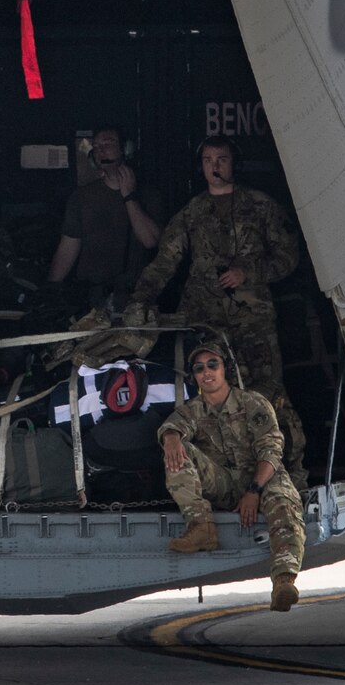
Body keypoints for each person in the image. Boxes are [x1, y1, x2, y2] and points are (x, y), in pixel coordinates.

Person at [129, 134, 308, 491]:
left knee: (267, 394)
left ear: (233, 164)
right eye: (208, 159)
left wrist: (248, 274)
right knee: (205, 398)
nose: (215, 166)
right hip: (204, 323)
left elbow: (289, 257)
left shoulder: (260, 206)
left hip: (251, 320)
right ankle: (214, 481)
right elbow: (165, 261)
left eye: (221, 159)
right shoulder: (192, 212)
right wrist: (140, 300)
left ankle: (288, 475)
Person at [160, 332, 304, 612]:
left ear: (225, 369)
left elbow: (271, 452)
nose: (206, 372)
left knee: (284, 503)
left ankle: (284, 581)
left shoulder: (253, 403)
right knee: (178, 450)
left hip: (263, 477)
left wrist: (254, 492)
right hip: (226, 484)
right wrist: (171, 437)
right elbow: (173, 425)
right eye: (199, 368)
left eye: (212, 364)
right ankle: (201, 526)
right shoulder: (193, 410)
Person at [46, 125, 165, 293]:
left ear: (125, 149)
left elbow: (150, 240)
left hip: (135, 294)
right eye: (95, 147)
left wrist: (129, 197)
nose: (100, 150)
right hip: (91, 292)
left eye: (107, 144)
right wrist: (49, 290)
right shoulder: (81, 197)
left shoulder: (148, 194)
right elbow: (67, 249)